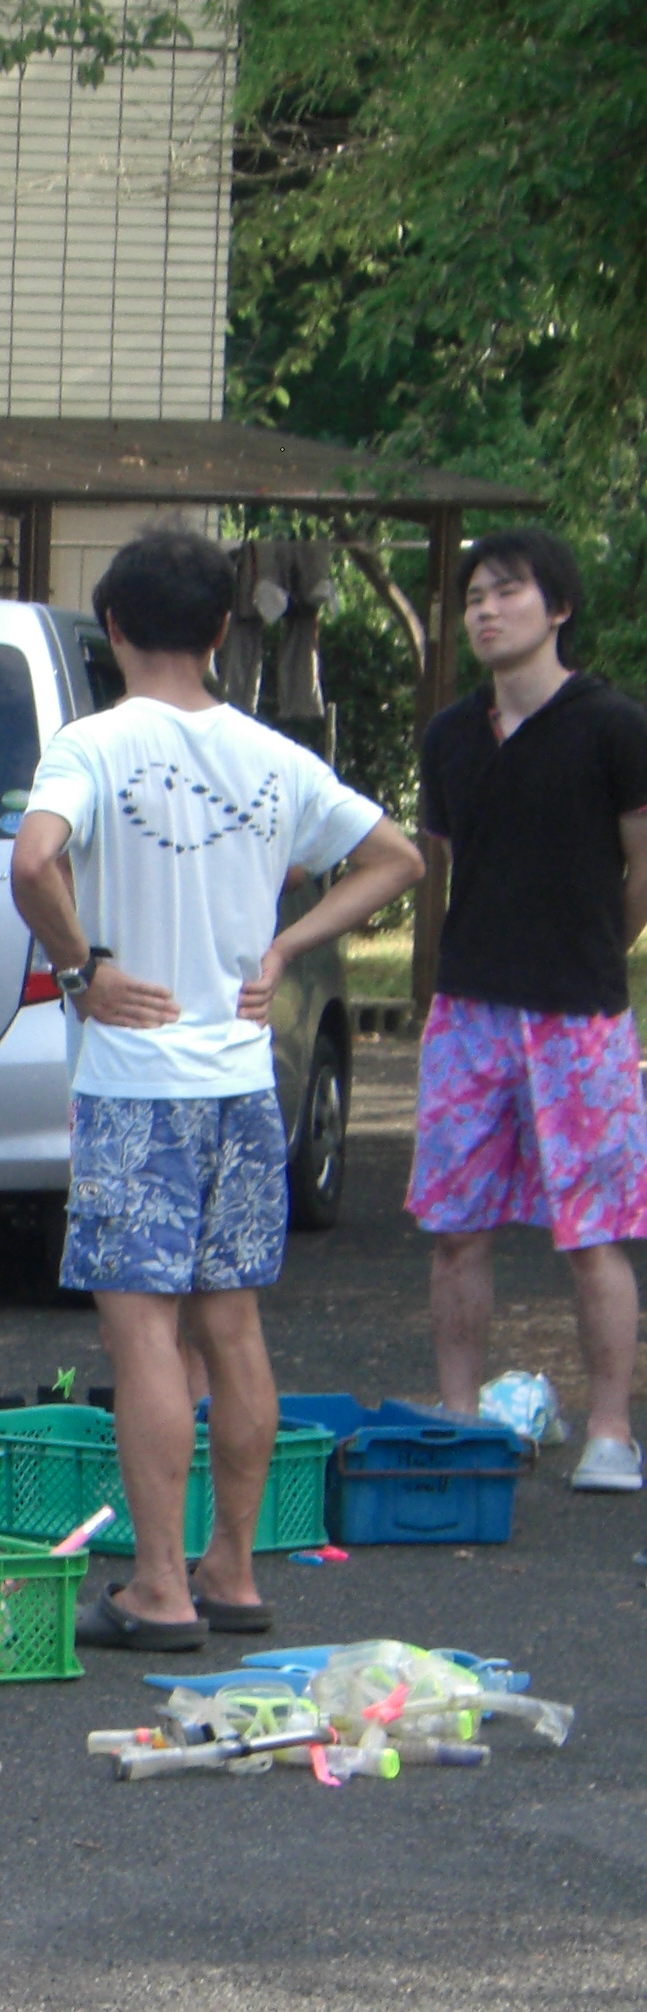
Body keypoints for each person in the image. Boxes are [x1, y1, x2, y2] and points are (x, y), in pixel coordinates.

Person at [11, 528, 420, 1650]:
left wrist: (83, 967)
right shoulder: (273, 757)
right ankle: (231, 1569)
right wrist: (286, 948)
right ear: (223, 630)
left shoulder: (91, 743)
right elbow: (398, 857)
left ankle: (158, 1587)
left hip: (137, 1082)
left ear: (117, 630)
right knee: (232, 1330)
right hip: (243, 1081)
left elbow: (33, 861)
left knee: (144, 1337)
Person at [406, 528, 647, 1492]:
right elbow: (442, 867)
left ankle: (612, 1432)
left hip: (580, 1016)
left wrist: (596, 946)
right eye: (474, 598)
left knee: (593, 1232)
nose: (486, 611)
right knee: (455, 1227)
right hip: (466, 1013)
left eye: (507, 593)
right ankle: (458, 1417)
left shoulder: (614, 727)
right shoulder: (451, 735)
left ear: (558, 609)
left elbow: (642, 867)